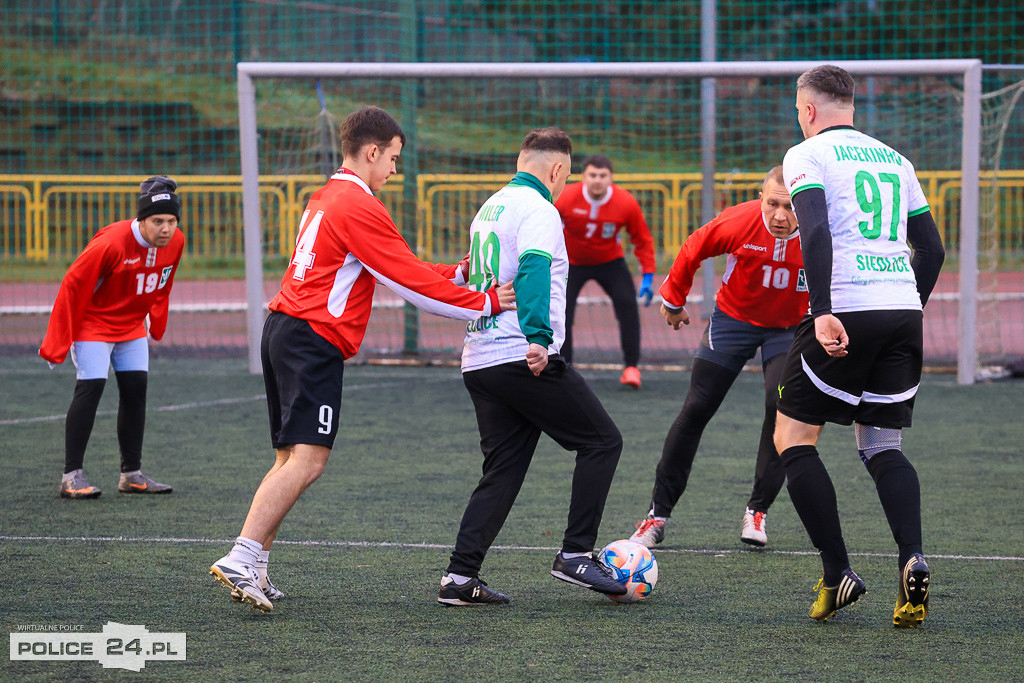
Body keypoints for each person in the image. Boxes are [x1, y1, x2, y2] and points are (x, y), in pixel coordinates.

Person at [209, 106, 515, 613]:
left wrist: (459, 274)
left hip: (286, 330)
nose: (395, 169)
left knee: (290, 458)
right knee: (307, 461)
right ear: (372, 152)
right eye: (393, 158)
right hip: (311, 339)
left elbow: (399, 264)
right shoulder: (359, 204)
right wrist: (486, 301)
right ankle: (241, 555)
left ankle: (256, 564)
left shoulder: (329, 196)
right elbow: (411, 286)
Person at [775, 65, 944, 627]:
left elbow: (817, 233)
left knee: (793, 439)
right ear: (851, 105)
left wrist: (823, 310)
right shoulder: (896, 159)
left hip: (846, 307)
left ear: (807, 109)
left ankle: (837, 571)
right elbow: (933, 249)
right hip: (901, 309)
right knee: (881, 446)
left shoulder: (807, 155)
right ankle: (912, 559)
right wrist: (908, 305)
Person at [437, 128, 626, 606]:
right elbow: (534, 269)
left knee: (503, 469)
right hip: (520, 354)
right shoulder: (540, 209)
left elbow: (471, 271)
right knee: (602, 442)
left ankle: (460, 577)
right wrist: (540, 338)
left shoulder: (492, 205)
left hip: (479, 358)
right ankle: (576, 555)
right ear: (559, 170)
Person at [629, 166, 806, 550]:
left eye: (791, 207)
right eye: (773, 204)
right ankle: (656, 515)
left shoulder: (821, 232)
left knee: (781, 408)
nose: (780, 215)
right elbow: (694, 246)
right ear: (761, 198)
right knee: (696, 407)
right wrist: (674, 301)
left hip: (789, 329)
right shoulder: (739, 221)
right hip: (734, 320)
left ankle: (757, 511)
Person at [40, 175, 184, 499]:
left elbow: (163, 282)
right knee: (91, 387)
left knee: (136, 391)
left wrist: (156, 321)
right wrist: (58, 341)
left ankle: (131, 475)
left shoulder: (176, 242)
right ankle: (71, 477)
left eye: (172, 221)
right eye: (158, 221)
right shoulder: (111, 243)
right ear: (141, 219)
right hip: (94, 324)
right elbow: (72, 287)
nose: (166, 228)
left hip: (131, 325)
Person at [556, 154, 656, 388]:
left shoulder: (626, 202)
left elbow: (642, 240)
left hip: (610, 261)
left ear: (611, 178)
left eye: (602, 176)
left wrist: (648, 275)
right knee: (560, 312)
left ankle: (631, 367)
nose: (597, 180)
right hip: (571, 262)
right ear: (583, 177)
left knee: (627, 305)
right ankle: (564, 367)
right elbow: (544, 226)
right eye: (592, 175)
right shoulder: (566, 197)